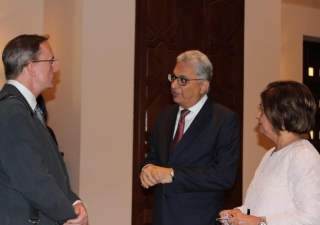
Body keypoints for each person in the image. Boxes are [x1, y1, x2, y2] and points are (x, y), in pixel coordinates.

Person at [140, 50, 240, 225]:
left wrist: (173, 174)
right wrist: (147, 168)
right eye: (173, 77)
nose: (173, 85)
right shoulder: (164, 116)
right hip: (162, 218)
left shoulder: (223, 119)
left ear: (203, 86)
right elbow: (154, 157)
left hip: (199, 219)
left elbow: (224, 175)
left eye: (183, 80)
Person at [0, 34, 88, 225]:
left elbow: (49, 170)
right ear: (31, 68)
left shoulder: (25, 111)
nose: (56, 67)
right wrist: (70, 215)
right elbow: (33, 181)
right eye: (51, 61)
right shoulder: (12, 112)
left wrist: (74, 201)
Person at [219, 81, 320, 225]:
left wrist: (257, 222)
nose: (257, 115)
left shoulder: (303, 156)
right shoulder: (272, 153)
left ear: (282, 115)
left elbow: (312, 218)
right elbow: (261, 207)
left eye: (262, 109)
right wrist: (237, 213)